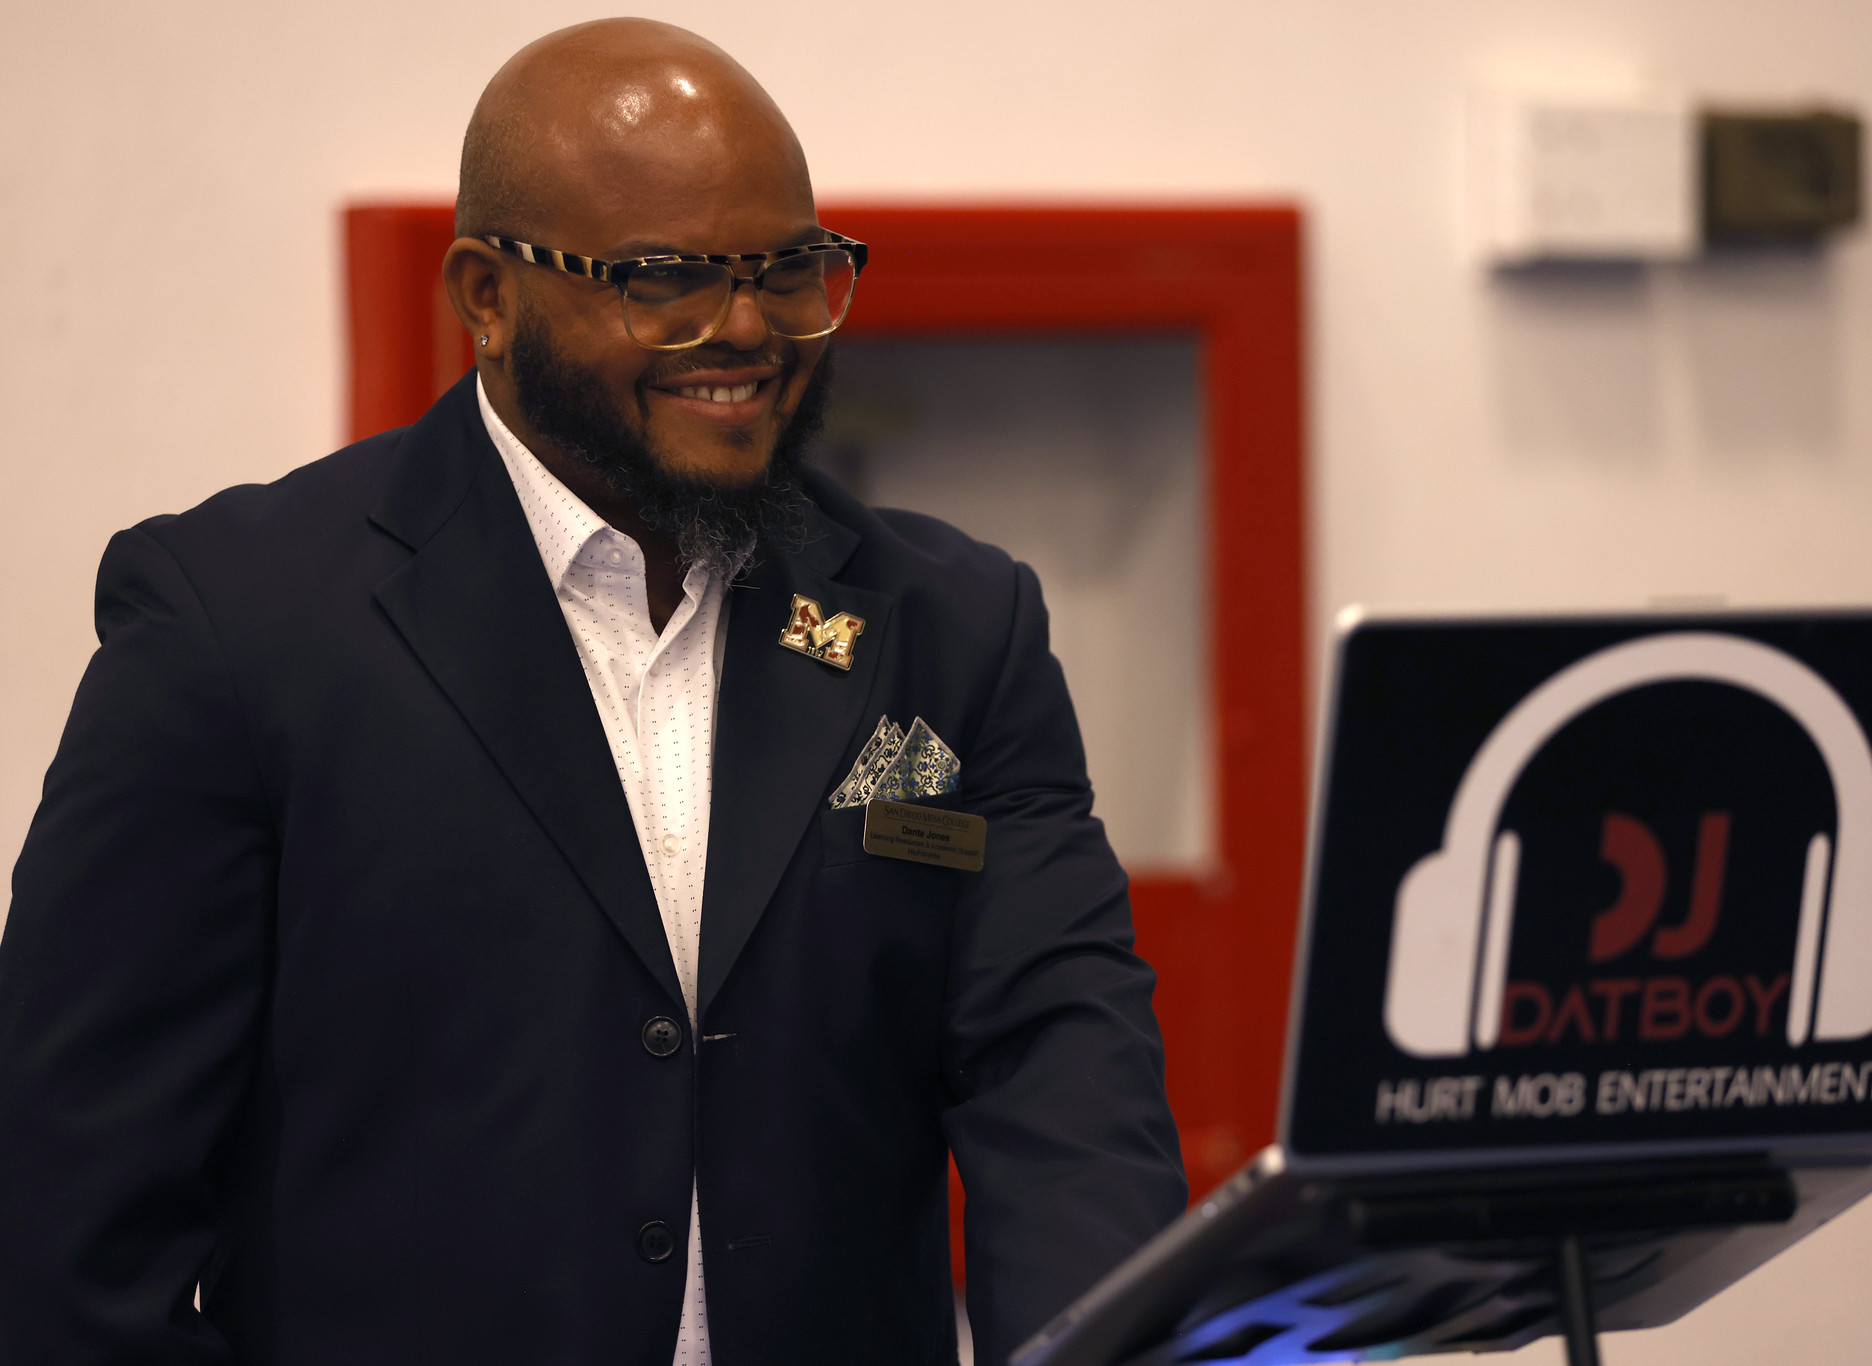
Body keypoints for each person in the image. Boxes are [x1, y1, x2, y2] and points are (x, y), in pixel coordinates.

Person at [0, 19, 1185, 1365]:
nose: (743, 330)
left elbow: (1061, 1072)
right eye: (663, 277)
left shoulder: (952, 629)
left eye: (790, 269)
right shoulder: (239, 626)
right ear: (486, 294)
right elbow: (73, 1208)